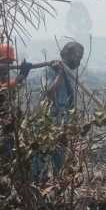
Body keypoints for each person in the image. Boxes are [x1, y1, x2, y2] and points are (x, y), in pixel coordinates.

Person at [33, 41, 85, 180]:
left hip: (63, 122)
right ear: (66, 54)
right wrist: (60, 73)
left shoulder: (71, 75)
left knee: (59, 160)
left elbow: (70, 102)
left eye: (80, 58)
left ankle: (57, 188)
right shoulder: (51, 70)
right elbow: (48, 92)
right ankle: (37, 189)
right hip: (47, 121)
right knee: (41, 158)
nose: (78, 61)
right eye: (76, 57)